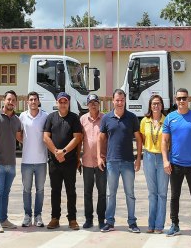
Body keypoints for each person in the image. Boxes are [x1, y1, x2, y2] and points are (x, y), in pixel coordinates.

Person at [161, 88, 191, 238]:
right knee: (175, 196)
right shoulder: (170, 118)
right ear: (175, 100)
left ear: (188, 99)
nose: (182, 101)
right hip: (175, 165)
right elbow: (164, 141)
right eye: (179, 98)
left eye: (184, 98)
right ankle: (174, 225)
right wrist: (165, 160)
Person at [98, 89, 142, 233]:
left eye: (122, 99)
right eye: (117, 100)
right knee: (111, 194)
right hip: (111, 162)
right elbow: (101, 138)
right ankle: (109, 222)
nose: (120, 102)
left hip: (128, 162)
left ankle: (132, 222)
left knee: (130, 193)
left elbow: (139, 139)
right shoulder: (106, 118)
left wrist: (138, 158)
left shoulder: (132, 117)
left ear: (125, 100)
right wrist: (99, 156)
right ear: (113, 101)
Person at [43, 92, 83, 230]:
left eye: (65, 101)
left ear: (69, 103)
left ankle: (72, 219)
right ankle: (55, 218)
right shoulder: (50, 118)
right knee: (55, 190)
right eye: (60, 101)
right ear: (56, 103)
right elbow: (46, 137)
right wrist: (56, 152)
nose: (63, 104)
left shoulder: (74, 118)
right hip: (54, 162)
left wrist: (64, 152)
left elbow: (77, 138)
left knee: (71, 191)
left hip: (70, 162)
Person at [0, 90, 23, 233]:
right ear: (4, 100)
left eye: (13, 100)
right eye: (9, 99)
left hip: (11, 163)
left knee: (6, 192)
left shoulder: (16, 120)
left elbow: (20, 138)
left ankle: (4, 219)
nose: (11, 102)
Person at [18, 91, 48, 228]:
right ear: (27, 102)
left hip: (42, 160)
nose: (33, 101)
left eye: (35, 99)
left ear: (38, 101)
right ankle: (27, 215)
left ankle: (38, 215)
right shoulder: (22, 116)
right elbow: (18, 135)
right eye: (31, 99)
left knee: (40, 190)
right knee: (26, 190)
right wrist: (26, 142)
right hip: (26, 161)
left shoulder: (45, 116)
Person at [139, 95, 168, 234]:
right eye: (153, 104)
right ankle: (151, 224)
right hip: (149, 156)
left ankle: (159, 225)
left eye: (158, 103)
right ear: (150, 106)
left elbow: (170, 140)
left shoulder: (167, 120)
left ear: (162, 106)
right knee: (152, 193)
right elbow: (143, 139)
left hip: (163, 158)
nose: (156, 106)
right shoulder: (145, 121)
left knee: (162, 193)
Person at [78, 93, 107, 229]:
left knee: (102, 192)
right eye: (90, 103)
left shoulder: (105, 119)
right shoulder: (83, 119)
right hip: (87, 162)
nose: (93, 105)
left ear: (98, 104)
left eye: (95, 102)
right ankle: (88, 219)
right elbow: (79, 140)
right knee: (87, 192)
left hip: (102, 162)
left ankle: (101, 219)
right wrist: (78, 157)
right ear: (87, 105)